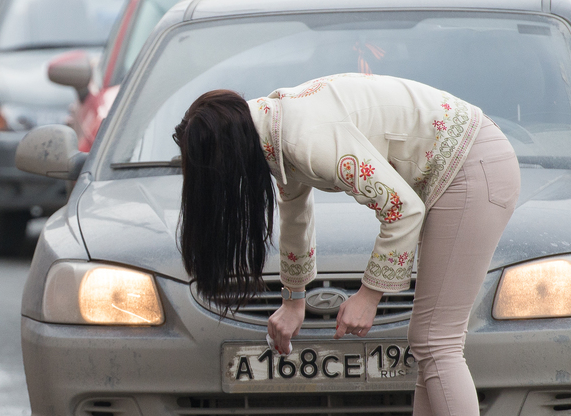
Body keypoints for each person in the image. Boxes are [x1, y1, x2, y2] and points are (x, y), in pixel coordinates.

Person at [173, 73, 520, 416]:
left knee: (435, 342)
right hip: (463, 164)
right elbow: (295, 216)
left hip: (471, 165)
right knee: (430, 345)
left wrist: (368, 297)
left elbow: (402, 209)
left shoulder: (303, 138)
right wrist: (293, 301)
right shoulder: (273, 129)